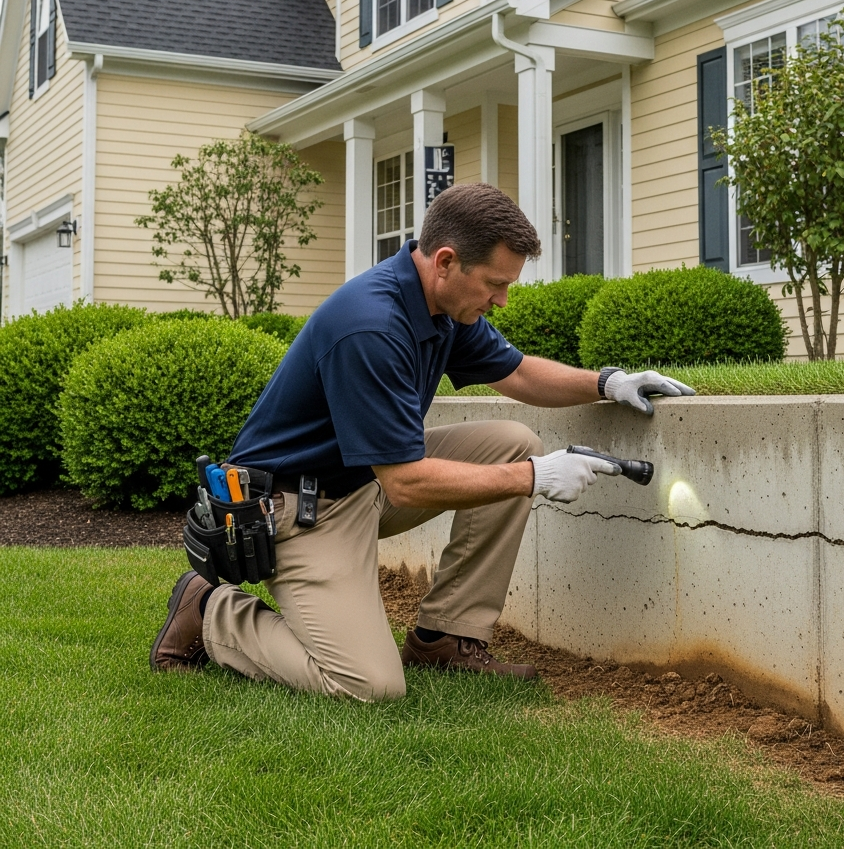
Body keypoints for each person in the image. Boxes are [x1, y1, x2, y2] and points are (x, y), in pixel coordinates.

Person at [150, 183, 692, 700]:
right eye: (495, 284)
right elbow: (406, 484)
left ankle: (446, 637)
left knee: (512, 443)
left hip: (361, 480)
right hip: (298, 509)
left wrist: (608, 383)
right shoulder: (372, 326)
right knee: (367, 686)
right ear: (446, 262)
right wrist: (536, 476)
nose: (503, 300)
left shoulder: (444, 308)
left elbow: (519, 373)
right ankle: (211, 611)